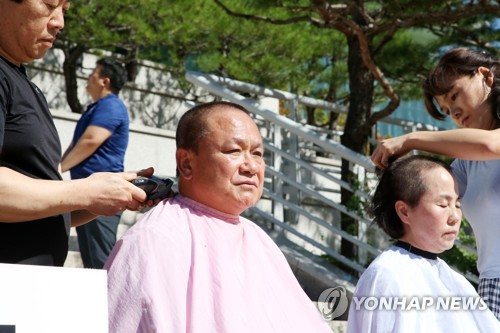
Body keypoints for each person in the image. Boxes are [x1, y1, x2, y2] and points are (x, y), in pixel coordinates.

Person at [104, 101, 332, 333]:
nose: (251, 166)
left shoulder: (259, 239)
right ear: (186, 163)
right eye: (234, 151)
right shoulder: (155, 239)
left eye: (258, 154)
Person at [0, 0, 156, 267]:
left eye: (64, 10)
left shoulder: (24, 82)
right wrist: (85, 191)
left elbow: (36, 205)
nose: (59, 22)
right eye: (49, 4)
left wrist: (95, 200)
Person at [371, 47, 500, 319]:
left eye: (454, 95)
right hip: (491, 284)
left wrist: (410, 139)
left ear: (485, 76)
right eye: (445, 109)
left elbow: (491, 144)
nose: (454, 111)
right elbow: (432, 194)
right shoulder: (467, 163)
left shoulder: (490, 144)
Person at [346, 155, 500, 332]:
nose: (455, 217)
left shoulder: (455, 280)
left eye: (457, 205)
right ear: (404, 211)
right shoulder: (386, 275)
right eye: (443, 204)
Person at [61, 58, 130, 269]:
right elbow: (78, 144)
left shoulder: (111, 106)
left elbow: (90, 141)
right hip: (88, 193)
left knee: (102, 263)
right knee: (92, 261)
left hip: (103, 194)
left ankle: (113, 302)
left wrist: (57, 170)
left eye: (94, 73)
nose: (88, 77)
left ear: (104, 81)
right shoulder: (96, 108)